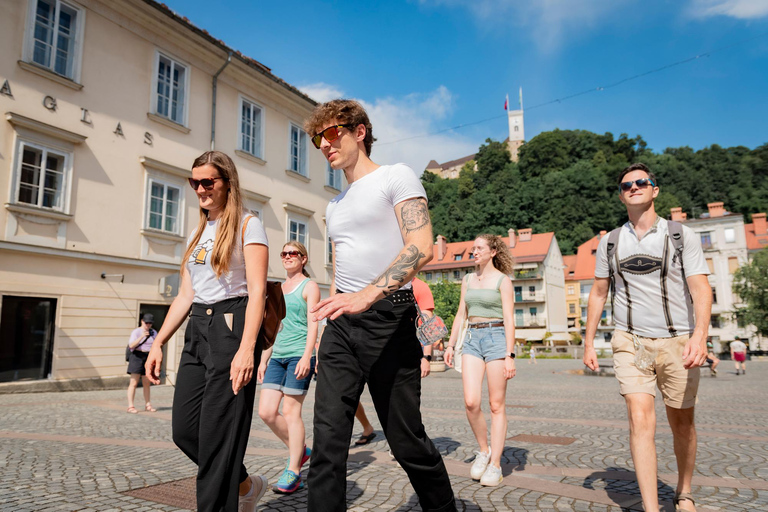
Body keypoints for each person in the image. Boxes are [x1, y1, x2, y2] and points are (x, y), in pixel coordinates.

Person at [304, 99, 456, 512]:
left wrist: (369, 294)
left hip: (390, 321)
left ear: (360, 131)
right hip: (341, 328)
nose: (324, 145)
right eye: (318, 138)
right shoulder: (334, 205)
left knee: (407, 442)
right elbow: (340, 272)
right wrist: (324, 326)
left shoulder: (396, 176)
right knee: (328, 443)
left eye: (332, 133)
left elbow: (421, 246)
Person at [145, 151, 270, 512]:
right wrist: (158, 343)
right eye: (194, 181)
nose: (199, 188)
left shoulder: (249, 225)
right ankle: (245, 484)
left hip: (232, 325)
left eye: (207, 181)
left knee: (218, 433)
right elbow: (186, 294)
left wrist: (248, 349)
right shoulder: (197, 232)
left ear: (226, 183)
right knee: (185, 430)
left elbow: (258, 291)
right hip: (198, 327)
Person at [583, 163, 712, 512]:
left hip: (678, 341)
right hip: (630, 341)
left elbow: (701, 289)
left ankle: (684, 491)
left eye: (642, 182)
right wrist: (589, 341)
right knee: (640, 418)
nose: (634, 187)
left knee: (681, 422)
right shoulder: (610, 242)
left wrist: (700, 336)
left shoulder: (680, 235)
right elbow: (597, 294)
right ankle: (652, 508)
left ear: (655, 189)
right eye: (627, 185)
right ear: (621, 194)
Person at [444, 234, 516, 487]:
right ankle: (484, 450)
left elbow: (509, 318)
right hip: (473, 338)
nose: (474, 252)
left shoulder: (502, 281)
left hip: (497, 337)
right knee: (471, 401)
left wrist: (510, 355)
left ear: (493, 251)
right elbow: (461, 313)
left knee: (496, 405)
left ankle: (496, 463)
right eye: (473, 248)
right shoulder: (467, 280)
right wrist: (451, 344)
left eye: (479, 248)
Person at [257, 241, 319, 493]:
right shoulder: (278, 289)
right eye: (284, 254)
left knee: (291, 412)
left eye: (293, 253)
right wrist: (263, 358)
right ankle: (301, 451)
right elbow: (274, 327)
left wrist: (307, 356)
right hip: (277, 355)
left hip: (298, 355)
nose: (288, 257)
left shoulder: (310, 286)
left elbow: (313, 323)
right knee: (266, 412)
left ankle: (293, 471)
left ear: (304, 259)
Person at [126, 313, 157, 414]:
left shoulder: (153, 332)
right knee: (133, 382)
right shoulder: (136, 332)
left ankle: (148, 404)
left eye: (150, 323)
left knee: (147, 382)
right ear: (142, 321)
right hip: (137, 356)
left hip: (148, 357)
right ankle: (130, 406)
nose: (148, 325)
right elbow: (131, 345)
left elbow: (156, 345)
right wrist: (142, 336)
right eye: (146, 322)